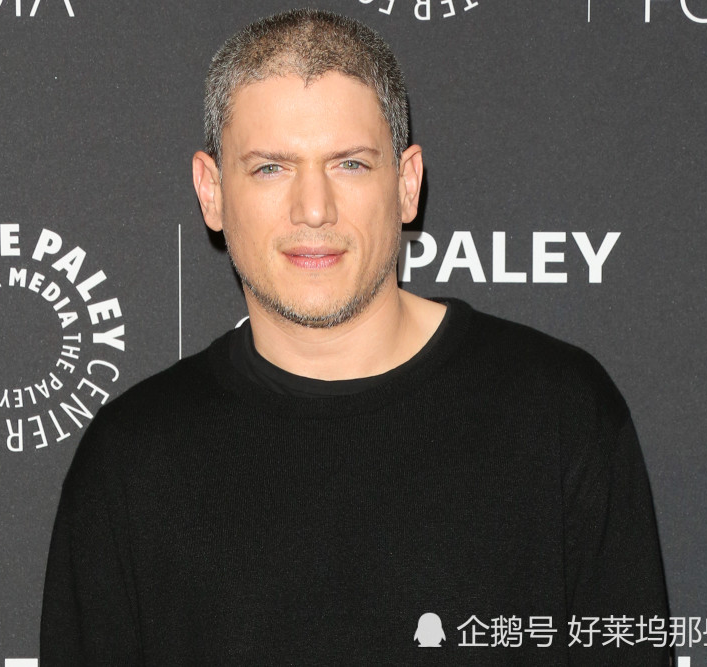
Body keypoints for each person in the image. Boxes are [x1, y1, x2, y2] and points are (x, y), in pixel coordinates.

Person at [40, 9, 669, 665]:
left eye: (349, 164)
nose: (314, 209)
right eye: (270, 168)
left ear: (406, 183)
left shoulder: (559, 412)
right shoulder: (132, 459)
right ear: (212, 191)